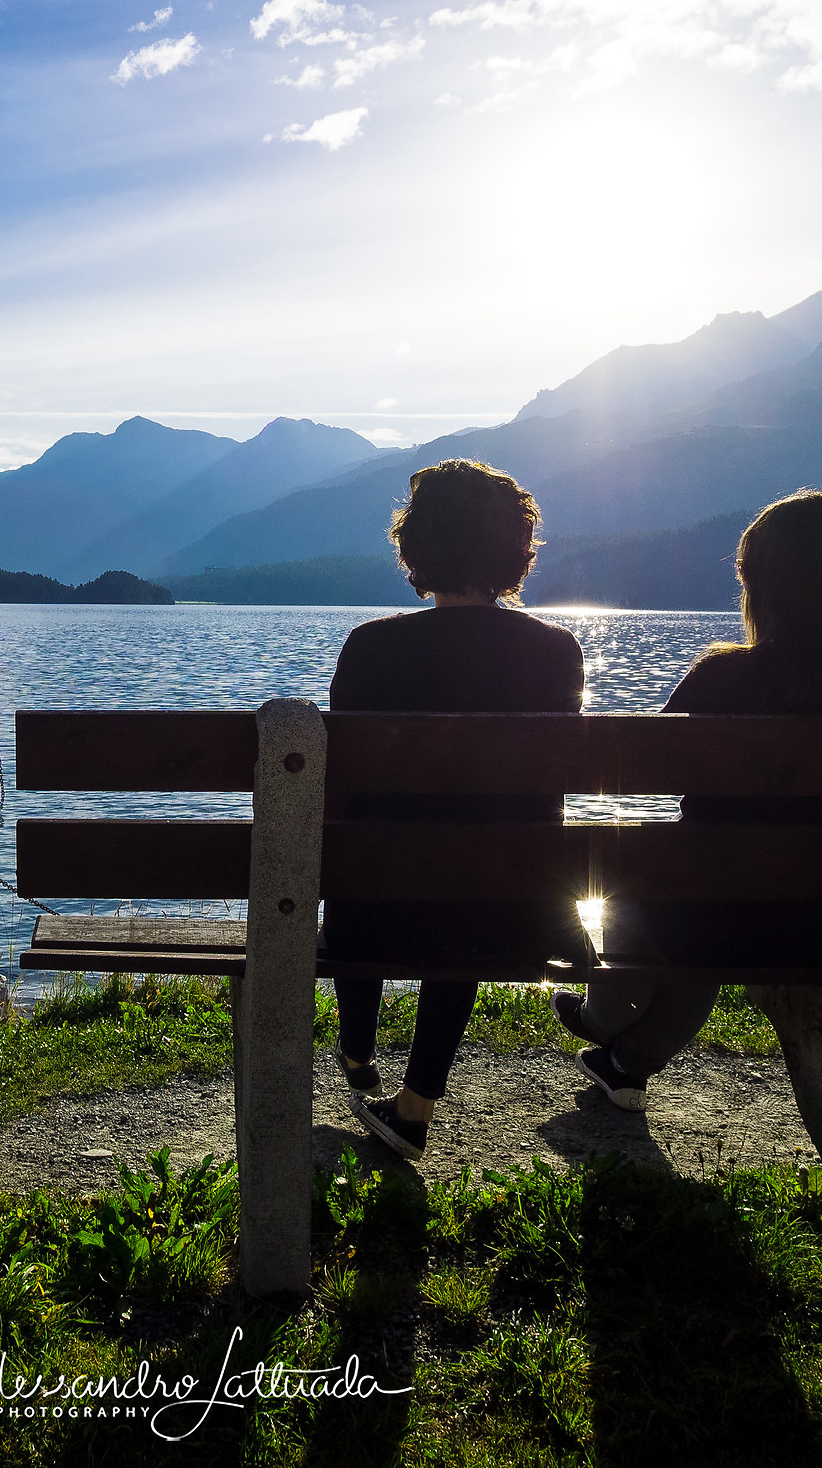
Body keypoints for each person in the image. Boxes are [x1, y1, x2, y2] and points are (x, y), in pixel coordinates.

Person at [555, 488, 822, 1112]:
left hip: (713, 920)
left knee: (632, 877)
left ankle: (602, 1018)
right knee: (698, 894)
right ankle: (625, 1062)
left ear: (762, 585)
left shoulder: (722, 676)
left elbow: (642, 769)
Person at [329, 459, 592, 1160]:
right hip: (506, 916)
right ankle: (415, 1105)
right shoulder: (555, 651)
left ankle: (357, 1053)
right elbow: (546, 800)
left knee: (366, 856)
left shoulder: (372, 647)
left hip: (373, 913)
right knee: (476, 870)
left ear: (416, 547)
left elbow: (342, 796)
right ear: (517, 550)